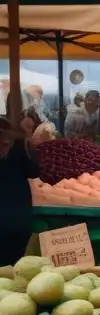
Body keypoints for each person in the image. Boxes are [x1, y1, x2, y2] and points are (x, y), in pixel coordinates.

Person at [0, 113, 42, 266]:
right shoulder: (19, 146)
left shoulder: (19, 145)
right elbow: (35, 171)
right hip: (17, 217)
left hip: (16, 217)